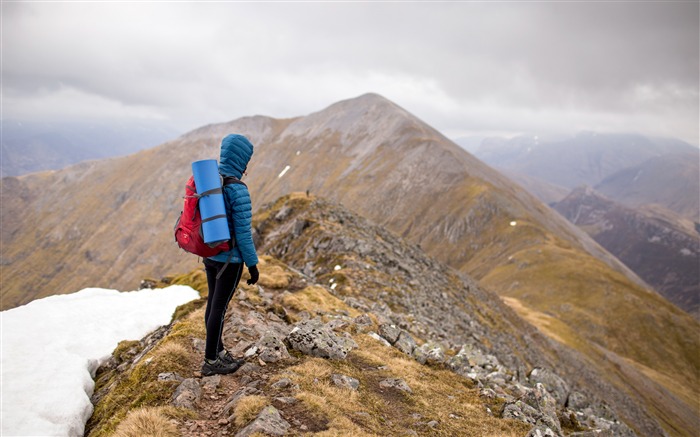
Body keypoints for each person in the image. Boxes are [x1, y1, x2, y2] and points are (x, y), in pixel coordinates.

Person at [201, 134, 259, 376]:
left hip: (210, 254)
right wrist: (253, 265)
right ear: (242, 160)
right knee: (219, 309)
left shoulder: (210, 182)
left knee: (212, 304)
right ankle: (212, 361)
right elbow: (244, 234)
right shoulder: (237, 190)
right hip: (230, 261)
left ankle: (218, 351)